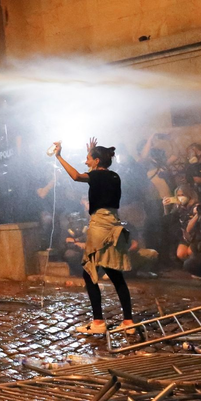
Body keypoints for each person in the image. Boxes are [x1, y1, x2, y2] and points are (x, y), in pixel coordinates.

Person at [53, 138, 135, 335]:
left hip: (99, 225)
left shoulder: (96, 176)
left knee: (89, 273)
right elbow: (98, 175)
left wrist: (59, 156)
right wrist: (93, 153)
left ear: (97, 161)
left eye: (88, 158)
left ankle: (98, 322)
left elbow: (75, 176)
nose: (85, 161)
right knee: (116, 275)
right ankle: (128, 322)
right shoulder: (115, 176)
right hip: (114, 225)